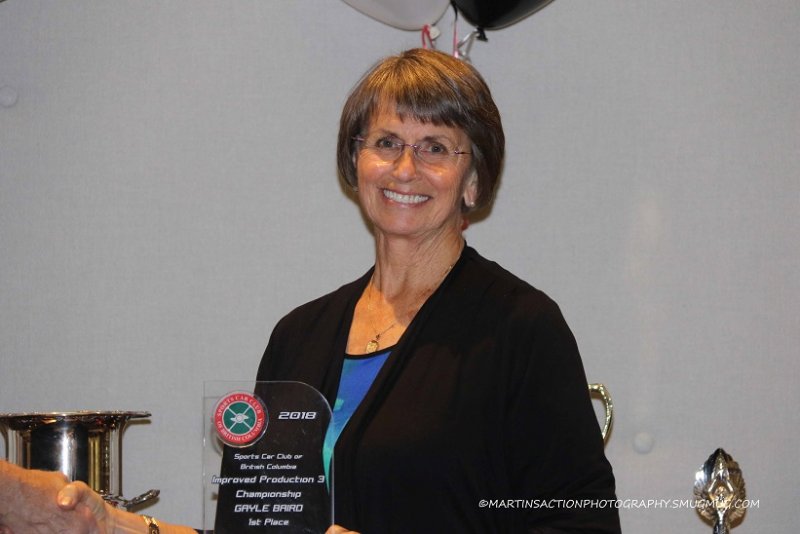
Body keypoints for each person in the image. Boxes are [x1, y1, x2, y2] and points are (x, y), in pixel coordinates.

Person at [0, 48, 620, 533]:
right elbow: (251, 530)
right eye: (387, 143)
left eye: (435, 147)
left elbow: (583, 526)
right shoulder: (298, 336)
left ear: (474, 181)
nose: (406, 168)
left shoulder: (520, 328)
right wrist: (111, 524)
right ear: (356, 163)